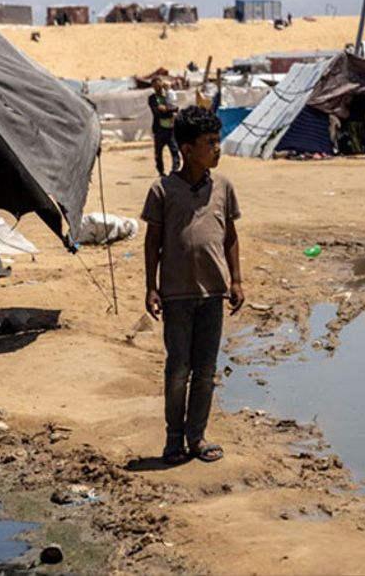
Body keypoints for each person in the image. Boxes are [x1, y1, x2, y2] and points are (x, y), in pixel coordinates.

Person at [141, 106, 245, 465]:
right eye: (209, 143)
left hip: (213, 294)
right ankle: (173, 439)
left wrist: (236, 280)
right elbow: (152, 242)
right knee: (178, 370)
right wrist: (151, 287)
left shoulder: (224, 187)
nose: (217, 148)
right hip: (176, 295)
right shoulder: (163, 189)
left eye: (218, 141)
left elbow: (230, 236)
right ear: (186, 149)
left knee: (205, 371)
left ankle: (196, 436)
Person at [149, 78, 180, 176]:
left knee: (174, 150)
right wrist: (170, 112)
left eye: (159, 84)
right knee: (158, 152)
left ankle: (175, 169)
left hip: (170, 128)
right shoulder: (152, 99)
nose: (158, 87)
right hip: (159, 130)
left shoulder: (168, 95)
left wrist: (166, 110)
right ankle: (161, 171)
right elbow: (158, 113)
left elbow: (175, 108)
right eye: (156, 85)